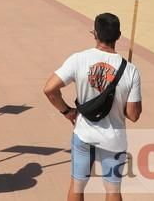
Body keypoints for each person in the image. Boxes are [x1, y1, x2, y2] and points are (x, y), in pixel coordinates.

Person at [43, 13, 142, 201]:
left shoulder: (78, 59)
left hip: (83, 133)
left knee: (77, 185)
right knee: (113, 190)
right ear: (119, 35)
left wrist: (67, 111)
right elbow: (133, 115)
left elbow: (49, 89)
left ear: (94, 34)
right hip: (114, 138)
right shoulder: (130, 70)